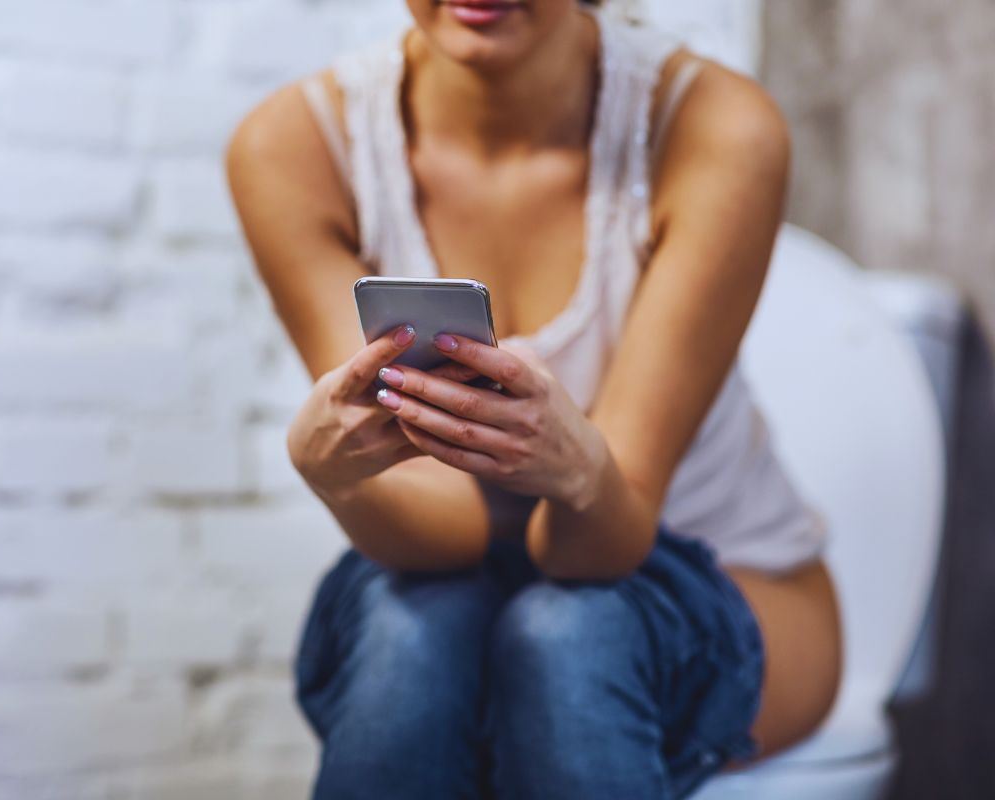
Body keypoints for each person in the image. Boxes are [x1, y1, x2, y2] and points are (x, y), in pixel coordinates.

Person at [225, 1, 842, 797]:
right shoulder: (295, 146)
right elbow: (445, 533)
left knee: (566, 639)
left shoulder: (714, 128)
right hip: (454, 577)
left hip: (713, 566)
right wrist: (337, 480)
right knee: (409, 639)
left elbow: (598, 550)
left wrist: (580, 468)